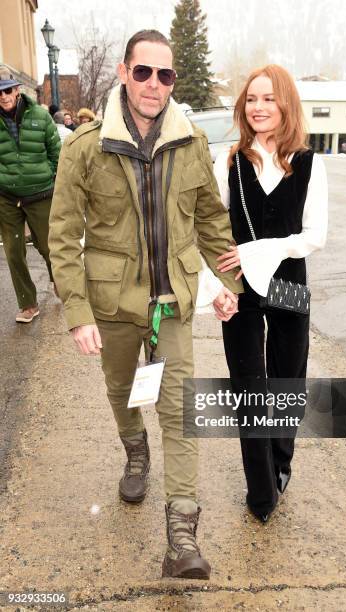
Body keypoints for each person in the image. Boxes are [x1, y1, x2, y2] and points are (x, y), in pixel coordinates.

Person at [48, 29, 241, 580]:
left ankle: (181, 536)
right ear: (123, 71)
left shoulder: (190, 143)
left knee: (179, 413)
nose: (154, 84)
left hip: (172, 304)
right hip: (113, 305)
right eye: (144, 72)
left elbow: (210, 222)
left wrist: (230, 286)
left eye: (166, 74)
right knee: (119, 390)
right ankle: (135, 449)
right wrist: (78, 313)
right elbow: (62, 236)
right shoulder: (85, 147)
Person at [213, 64, 328, 522]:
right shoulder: (231, 160)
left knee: (285, 382)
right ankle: (260, 490)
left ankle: (281, 462)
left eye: (269, 99)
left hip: (288, 282)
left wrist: (257, 250)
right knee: (249, 387)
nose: (258, 108)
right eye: (251, 99)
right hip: (240, 286)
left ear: (285, 105)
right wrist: (216, 286)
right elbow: (215, 227)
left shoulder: (309, 162)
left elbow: (314, 235)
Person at [0, 68, 61, 323]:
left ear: (17, 90)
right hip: (6, 195)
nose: (3, 96)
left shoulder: (40, 116)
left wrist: (54, 179)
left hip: (40, 193)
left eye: (7, 90)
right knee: (13, 251)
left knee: (48, 246)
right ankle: (28, 304)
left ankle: (58, 279)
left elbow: (56, 152)